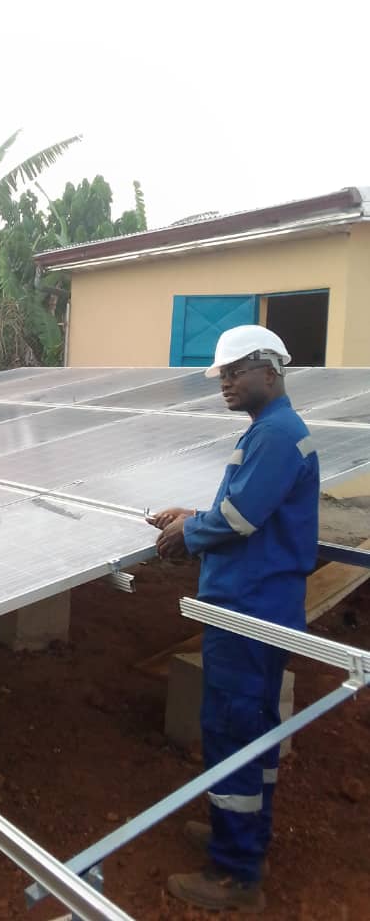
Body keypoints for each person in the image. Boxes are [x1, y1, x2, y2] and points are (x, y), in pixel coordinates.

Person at [148, 325, 319, 914]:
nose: (225, 383)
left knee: (233, 729)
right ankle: (243, 834)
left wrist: (188, 533)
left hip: (248, 611)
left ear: (270, 372)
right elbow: (248, 511)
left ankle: (235, 873)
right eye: (222, 374)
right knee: (255, 729)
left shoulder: (275, 436)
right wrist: (193, 514)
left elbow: (239, 519)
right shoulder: (272, 431)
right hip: (258, 605)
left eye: (235, 372)